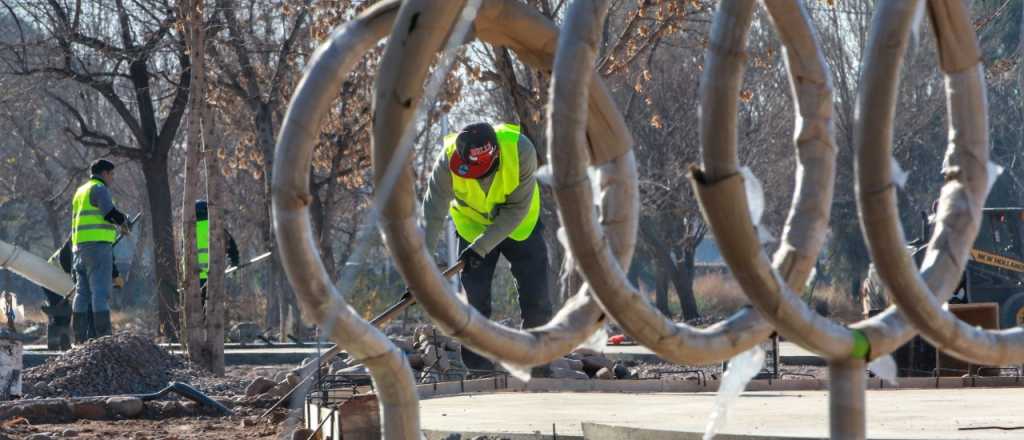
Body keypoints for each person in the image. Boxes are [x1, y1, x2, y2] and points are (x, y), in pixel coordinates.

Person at [422, 122, 551, 371]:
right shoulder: (446, 163)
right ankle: (478, 370)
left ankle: (537, 367)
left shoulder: (521, 150)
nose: (475, 175)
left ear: (496, 155)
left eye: (480, 169)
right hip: (473, 227)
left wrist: (481, 248)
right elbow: (432, 215)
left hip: (520, 224)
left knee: (536, 300)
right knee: (476, 303)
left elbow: (515, 210)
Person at [70, 159, 131, 343]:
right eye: (112, 174)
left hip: (79, 248)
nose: (112, 178)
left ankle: (80, 339)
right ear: (104, 173)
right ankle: (103, 339)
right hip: (98, 247)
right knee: (100, 291)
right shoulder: (99, 189)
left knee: (82, 293)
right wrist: (124, 221)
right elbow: (109, 212)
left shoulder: (80, 191)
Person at [194, 200, 240, 293]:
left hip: (194, 279)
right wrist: (234, 266)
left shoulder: (188, 231)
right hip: (214, 276)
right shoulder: (216, 228)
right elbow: (233, 250)